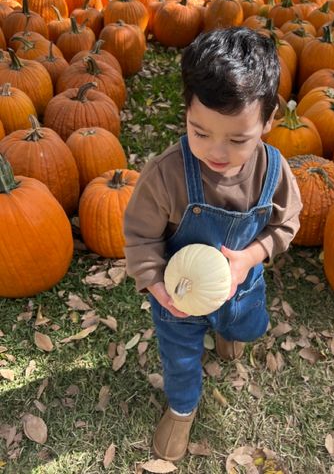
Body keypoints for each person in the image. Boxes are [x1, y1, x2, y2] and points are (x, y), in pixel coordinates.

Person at [124, 27, 302, 462]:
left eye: (238, 139)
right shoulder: (166, 174)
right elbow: (141, 236)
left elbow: (286, 225)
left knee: (245, 325)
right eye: (199, 132)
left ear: (269, 120)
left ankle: (228, 331)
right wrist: (156, 286)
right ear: (186, 112)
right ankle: (181, 410)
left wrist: (251, 256)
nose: (217, 151)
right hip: (179, 295)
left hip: (242, 284)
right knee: (181, 357)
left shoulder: (274, 172)